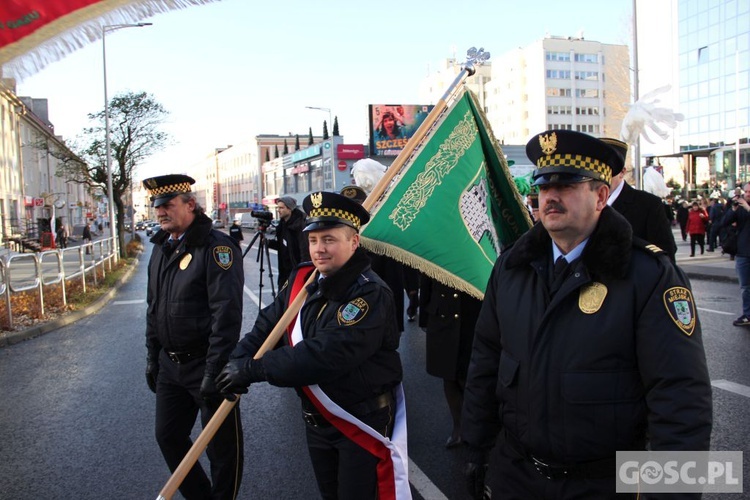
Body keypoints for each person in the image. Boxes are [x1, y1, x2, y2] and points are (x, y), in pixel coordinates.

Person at [461, 130, 712, 499]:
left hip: (604, 483)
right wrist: (475, 449)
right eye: (543, 186)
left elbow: (679, 398)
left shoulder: (647, 275)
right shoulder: (511, 268)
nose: (550, 196)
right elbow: (486, 364)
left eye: (566, 184)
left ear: (600, 196)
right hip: (516, 476)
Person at [215, 191, 408, 499]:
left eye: (329, 240)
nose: (319, 249)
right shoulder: (303, 280)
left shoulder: (369, 294)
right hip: (318, 420)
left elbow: (327, 353)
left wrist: (253, 370)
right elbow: (267, 326)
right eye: (314, 240)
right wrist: (233, 365)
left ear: (354, 242)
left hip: (358, 420)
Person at [143, 174, 244, 500]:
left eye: (167, 206)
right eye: (156, 207)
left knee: (221, 449)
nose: (160, 213)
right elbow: (153, 307)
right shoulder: (161, 247)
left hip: (206, 362)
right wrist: (152, 355)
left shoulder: (216, 248)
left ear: (190, 205)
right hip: (170, 365)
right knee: (168, 436)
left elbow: (226, 315)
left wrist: (215, 369)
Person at [419, 277, 482, 449]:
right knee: (448, 376)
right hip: (442, 315)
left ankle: (475, 431)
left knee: (470, 378)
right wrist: (424, 316)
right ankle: (458, 427)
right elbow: (427, 276)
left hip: (473, 314)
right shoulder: (437, 249)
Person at [339, 184, 407, 331]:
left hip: (375, 315)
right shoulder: (335, 239)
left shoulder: (381, 236)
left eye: (357, 206)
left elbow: (393, 284)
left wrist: (394, 325)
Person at [601, 137, 677, 262]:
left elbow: (665, 254)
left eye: (607, 171)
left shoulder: (648, 205)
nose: (601, 177)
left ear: (622, 172)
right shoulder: (583, 202)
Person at [267, 196, 310, 288]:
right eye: (278, 207)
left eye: (282, 208)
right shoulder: (282, 225)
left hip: (295, 271)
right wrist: (269, 243)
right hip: (284, 271)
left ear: (290, 209)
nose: (279, 210)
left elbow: (304, 250)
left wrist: (302, 272)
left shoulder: (299, 225)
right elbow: (282, 245)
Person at [722, 183, 750, 326]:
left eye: (749, 191)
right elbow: (724, 222)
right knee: (745, 287)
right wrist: (733, 209)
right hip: (743, 252)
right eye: (746, 191)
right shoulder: (739, 209)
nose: (747, 194)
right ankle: (748, 314)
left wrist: (747, 207)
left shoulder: (746, 207)